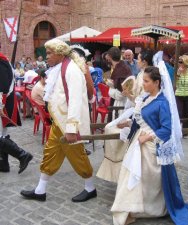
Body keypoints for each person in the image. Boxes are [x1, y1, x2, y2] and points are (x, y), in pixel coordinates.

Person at [111, 65, 188, 225]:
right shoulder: (146, 98)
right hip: (138, 143)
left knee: (147, 180)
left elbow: (166, 129)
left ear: (157, 83)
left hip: (150, 147)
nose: (144, 84)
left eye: (147, 81)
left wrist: (147, 137)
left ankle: (149, 209)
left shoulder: (163, 103)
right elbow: (141, 119)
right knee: (131, 176)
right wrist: (127, 123)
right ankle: (130, 207)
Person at [20, 39, 96, 202]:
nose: (45, 56)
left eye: (49, 53)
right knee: (50, 154)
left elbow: (75, 100)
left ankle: (90, 188)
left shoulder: (72, 70)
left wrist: (71, 128)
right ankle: (40, 190)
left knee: (78, 156)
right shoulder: (60, 68)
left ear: (60, 53)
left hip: (67, 124)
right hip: (58, 122)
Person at [96, 49, 155, 183]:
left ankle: (122, 166)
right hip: (133, 108)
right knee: (110, 128)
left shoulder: (144, 75)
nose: (136, 62)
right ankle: (119, 167)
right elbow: (136, 97)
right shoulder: (139, 74)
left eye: (138, 59)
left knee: (116, 131)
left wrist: (113, 91)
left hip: (134, 111)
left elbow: (143, 99)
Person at [0, 52, 33, 173]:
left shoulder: (1, 61)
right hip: (2, 103)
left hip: (1, 103)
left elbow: (2, 87)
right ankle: (3, 164)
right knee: (1, 136)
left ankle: (22, 155)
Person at [105, 47, 132, 122]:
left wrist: (111, 89)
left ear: (110, 56)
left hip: (121, 105)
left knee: (118, 128)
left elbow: (122, 94)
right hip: (118, 102)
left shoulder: (122, 69)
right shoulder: (119, 67)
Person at [175, 55, 188, 135]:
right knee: (179, 113)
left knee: (187, 114)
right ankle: (178, 130)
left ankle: (185, 131)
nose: (179, 63)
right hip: (178, 95)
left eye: (181, 62)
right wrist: (178, 74)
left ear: (185, 62)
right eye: (179, 62)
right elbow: (174, 83)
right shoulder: (176, 71)